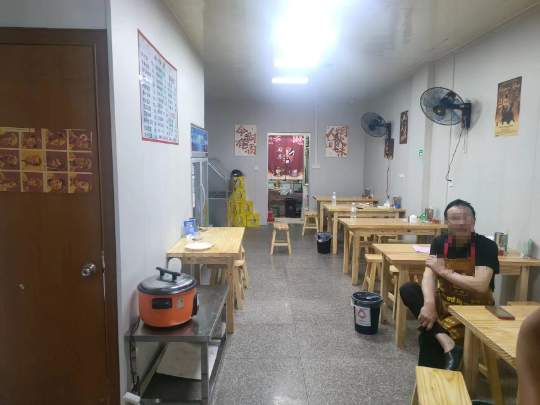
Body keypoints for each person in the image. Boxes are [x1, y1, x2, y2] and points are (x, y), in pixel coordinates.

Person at [400, 199, 499, 370]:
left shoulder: (486, 246)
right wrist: (429, 305)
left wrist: (445, 272)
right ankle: (447, 343)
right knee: (408, 289)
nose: (461, 223)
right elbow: (429, 275)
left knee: (428, 333)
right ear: (447, 223)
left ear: (474, 221)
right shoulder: (440, 243)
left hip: (476, 309)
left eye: (466, 217)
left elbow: (481, 285)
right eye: (455, 218)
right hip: (446, 304)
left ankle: (437, 379)